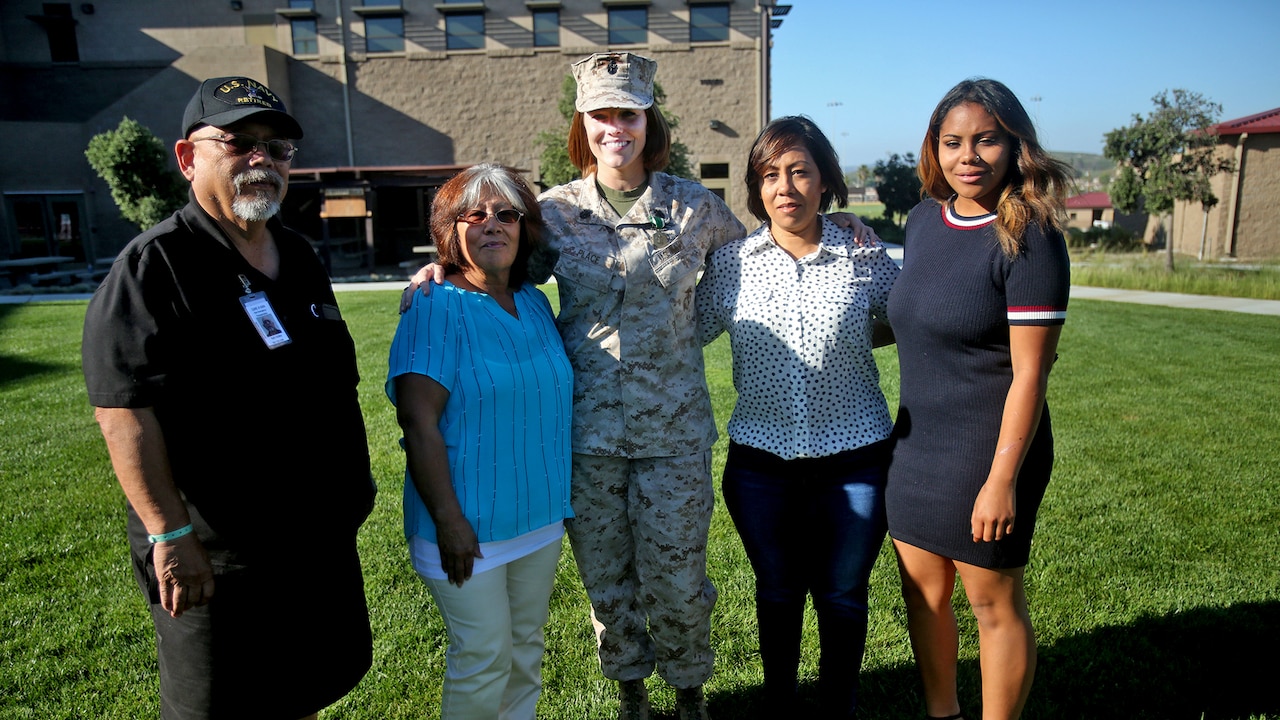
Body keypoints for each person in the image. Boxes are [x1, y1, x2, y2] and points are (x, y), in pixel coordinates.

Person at [405, 53, 866, 720]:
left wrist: (838, 224)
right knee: (607, 585)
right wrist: (438, 271)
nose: (614, 126)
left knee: (679, 583)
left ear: (649, 120)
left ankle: (688, 695)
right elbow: (492, 261)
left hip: (674, 436)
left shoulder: (695, 207)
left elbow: (762, 253)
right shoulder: (554, 213)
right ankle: (630, 695)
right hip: (586, 436)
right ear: (583, 123)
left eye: (628, 112)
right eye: (601, 114)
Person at [81, 76, 376, 720]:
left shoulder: (297, 254)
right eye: (239, 143)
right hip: (218, 557)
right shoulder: (153, 268)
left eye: (277, 148)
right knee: (216, 704)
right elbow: (123, 413)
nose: (262, 161)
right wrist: (170, 533)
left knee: (306, 684)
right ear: (190, 158)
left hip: (313, 542)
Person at [695, 116, 898, 719]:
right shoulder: (733, 263)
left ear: (824, 182)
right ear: (757, 189)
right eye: (769, 175)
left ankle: (840, 706)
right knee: (779, 593)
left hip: (858, 461)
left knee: (842, 595)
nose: (785, 187)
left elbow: (915, 319)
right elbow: (683, 330)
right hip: (761, 467)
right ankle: (779, 704)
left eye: (799, 171)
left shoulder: (863, 254)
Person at [885, 78, 1073, 720]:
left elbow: (1031, 375)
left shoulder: (1033, 234)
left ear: (1014, 145)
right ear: (934, 149)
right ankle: (943, 714)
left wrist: (1001, 481)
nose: (968, 155)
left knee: (993, 603)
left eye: (986, 140)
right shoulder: (919, 222)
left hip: (988, 452)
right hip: (914, 448)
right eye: (953, 141)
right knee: (924, 596)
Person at [386, 163, 573, 720]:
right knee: (484, 656)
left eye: (506, 214)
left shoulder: (536, 304)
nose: (492, 224)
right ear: (451, 229)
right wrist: (449, 520)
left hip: (538, 518)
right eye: (475, 214)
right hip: (467, 525)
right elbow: (418, 424)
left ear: (524, 228)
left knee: (525, 654)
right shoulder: (433, 305)